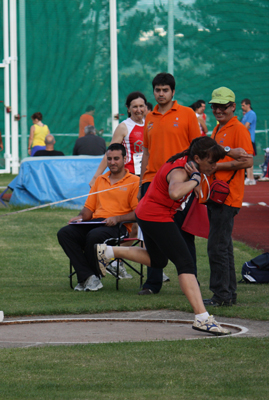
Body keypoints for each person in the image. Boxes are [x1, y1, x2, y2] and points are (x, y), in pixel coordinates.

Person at [96, 136, 231, 335]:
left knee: (158, 260)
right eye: (211, 162)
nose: (214, 166)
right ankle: (202, 318)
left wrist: (225, 154)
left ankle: (108, 251)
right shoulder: (181, 171)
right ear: (197, 158)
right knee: (186, 264)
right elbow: (175, 192)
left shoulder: (188, 161)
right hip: (155, 216)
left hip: (148, 214)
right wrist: (195, 180)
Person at [137, 72, 202, 295]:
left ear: (173, 92)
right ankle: (152, 283)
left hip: (179, 182)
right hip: (151, 182)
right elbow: (146, 152)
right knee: (152, 236)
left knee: (184, 234)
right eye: (157, 90)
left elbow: (196, 149)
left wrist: (195, 179)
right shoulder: (149, 116)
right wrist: (141, 183)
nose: (161, 94)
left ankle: (192, 281)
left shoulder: (187, 114)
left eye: (165, 90)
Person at [57, 143, 139, 291]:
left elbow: (137, 213)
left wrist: (117, 218)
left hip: (119, 226)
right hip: (96, 223)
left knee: (94, 236)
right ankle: (89, 277)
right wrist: (80, 217)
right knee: (65, 233)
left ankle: (89, 277)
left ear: (125, 159)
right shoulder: (100, 180)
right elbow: (89, 209)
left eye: (116, 158)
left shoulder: (134, 181)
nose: (112, 162)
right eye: (109, 159)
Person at [205, 87, 254, 307]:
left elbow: (248, 161)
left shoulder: (238, 129)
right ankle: (228, 294)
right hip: (217, 195)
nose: (218, 110)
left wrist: (217, 166)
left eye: (223, 106)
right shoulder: (218, 128)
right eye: (215, 106)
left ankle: (221, 295)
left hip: (227, 196)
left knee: (217, 247)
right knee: (223, 247)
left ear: (233, 107)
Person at [89, 92, 147, 187]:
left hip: (146, 174)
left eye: (141, 106)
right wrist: (95, 177)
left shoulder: (149, 124)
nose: (139, 110)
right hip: (130, 175)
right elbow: (110, 153)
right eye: (135, 107)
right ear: (128, 109)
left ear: (145, 107)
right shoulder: (124, 127)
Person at [241, 98, 257, 185]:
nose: (242, 107)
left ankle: (250, 178)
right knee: (247, 158)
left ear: (248, 105)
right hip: (246, 139)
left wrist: (243, 127)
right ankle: (250, 177)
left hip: (249, 139)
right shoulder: (246, 114)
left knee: (248, 158)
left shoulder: (251, 114)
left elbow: (245, 127)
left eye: (243, 105)